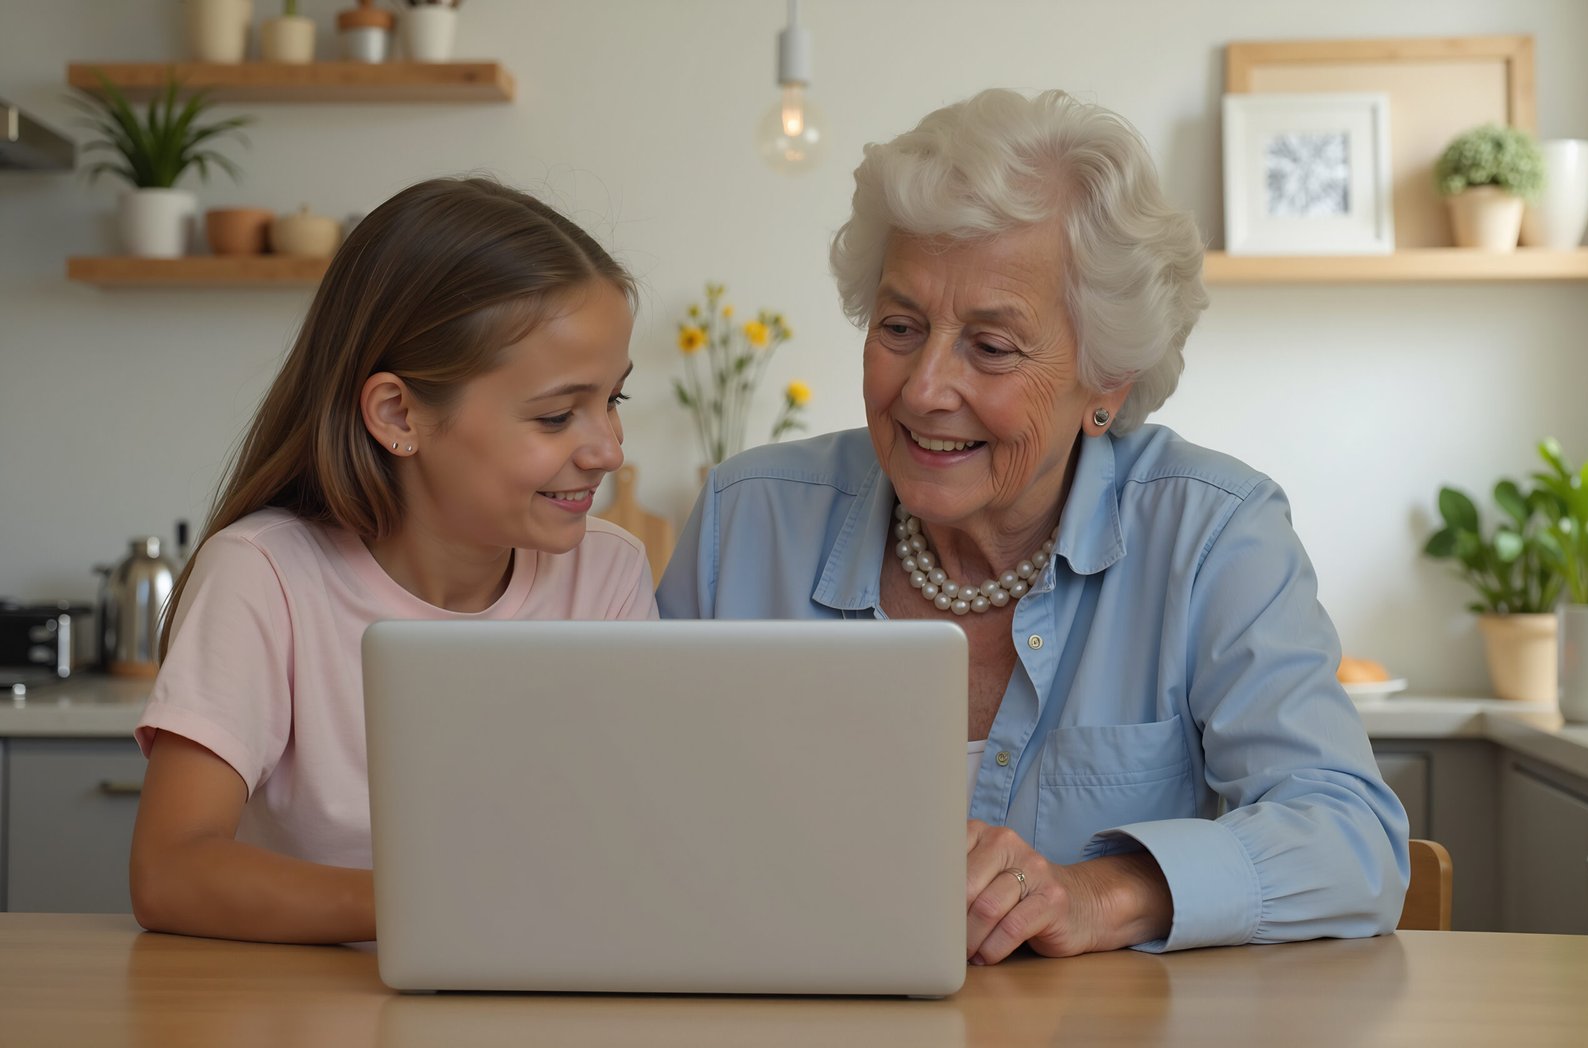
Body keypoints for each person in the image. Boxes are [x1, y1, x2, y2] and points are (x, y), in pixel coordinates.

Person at [657, 90, 1408, 963]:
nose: (925, 387)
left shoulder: (1213, 536)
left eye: (992, 345)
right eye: (900, 327)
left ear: (1108, 382)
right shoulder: (746, 520)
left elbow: (1353, 839)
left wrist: (1102, 892)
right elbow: (632, 811)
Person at [131, 177, 655, 944]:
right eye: (555, 415)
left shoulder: (607, 572)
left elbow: (635, 840)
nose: (609, 449)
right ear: (398, 414)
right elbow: (171, 871)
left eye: (616, 400)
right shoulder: (264, 575)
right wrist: (429, 909)